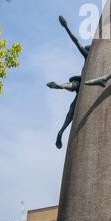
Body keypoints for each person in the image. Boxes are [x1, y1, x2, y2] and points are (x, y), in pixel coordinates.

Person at [47, 16, 89, 148]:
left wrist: (66, 27)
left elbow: (76, 41)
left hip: (81, 85)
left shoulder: (88, 56)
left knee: (71, 109)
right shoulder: (89, 56)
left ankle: (61, 131)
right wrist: (66, 27)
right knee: (71, 110)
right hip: (85, 82)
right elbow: (76, 41)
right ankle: (61, 85)